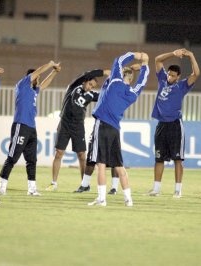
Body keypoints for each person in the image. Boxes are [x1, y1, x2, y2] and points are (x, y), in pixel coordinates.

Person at [87, 51, 149, 207]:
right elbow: (142, 81)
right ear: (131, 79)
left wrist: (136, 54)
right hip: (115, 129)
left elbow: (119, 60)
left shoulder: (115, 81)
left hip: (102, 125)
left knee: (100, 165)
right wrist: (145, 65)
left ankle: (102, 199)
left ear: (122, 75)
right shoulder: (133, 94)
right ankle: (128, 199)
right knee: (119, 166)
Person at [74, 64, 142, 194]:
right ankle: (113, 189)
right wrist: (140, 70)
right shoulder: (122, 88)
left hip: (104, 123)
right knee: (113, 159)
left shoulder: (117, 86)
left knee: (99, 158)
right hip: (114, 125)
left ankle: (102, 191)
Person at [0, 61, 61, 196]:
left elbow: (44, 84)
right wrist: (50, 64)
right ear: (31, 77)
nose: (38, 81)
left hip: (31, 128)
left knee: (32, 160)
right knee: (12, 157)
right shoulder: (23, 85)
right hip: (21, 125)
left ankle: (32, 189)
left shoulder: (33, 91)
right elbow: (38, 72)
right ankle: (2, 186)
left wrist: (54, 72)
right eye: (37, 78)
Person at [147, 48, 200, 198]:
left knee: (177, 159)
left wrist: (191, 55)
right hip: (161, 125)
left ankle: (178, 190)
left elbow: (196, 74)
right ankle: (156, 189)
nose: (169, 77)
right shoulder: (162, 79)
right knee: (159, 158)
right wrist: (173, 54)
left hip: (175, 125)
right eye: (169, 74)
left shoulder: (183, 86)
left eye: (172, 75)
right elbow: (157, 59)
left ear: (178, 77)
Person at [46, 68, 109, 192]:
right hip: (64, 124)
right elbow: (88, 73)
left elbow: (105, 95)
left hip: (78, 126)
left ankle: (84, 184)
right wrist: (104, 72)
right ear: (85, 81)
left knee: (82, 155)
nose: (90, 87)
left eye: (93, 86)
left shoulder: (90, 95)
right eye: (90, 84)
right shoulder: (74, 86)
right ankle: (54, 183)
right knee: (59, 153)